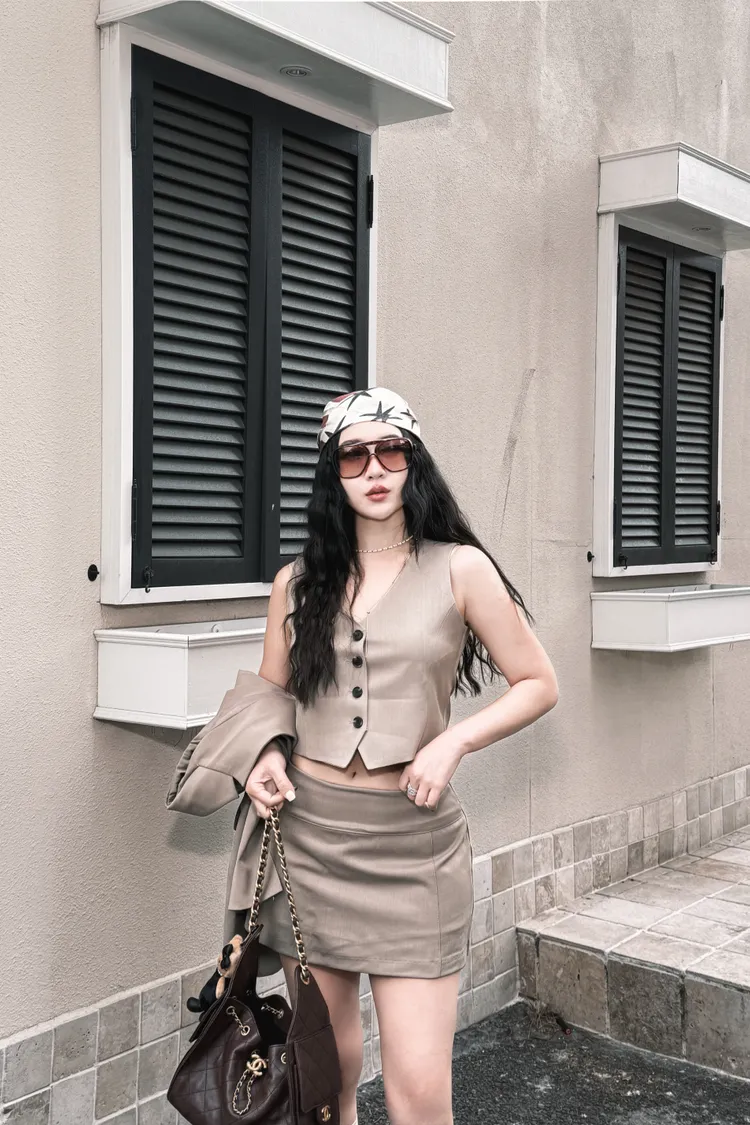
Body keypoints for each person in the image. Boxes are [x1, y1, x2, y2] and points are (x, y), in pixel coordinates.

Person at [244, 387, 558, 1125]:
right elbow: (270, 698)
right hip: (310, 840)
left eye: (391, 450)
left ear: (413, 461)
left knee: (417, 1089)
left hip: (415, 850)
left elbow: (539, 682)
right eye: (354, 455)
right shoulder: (297, 582)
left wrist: (453, 740)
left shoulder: (460, 568)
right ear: (333, 472)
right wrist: (264, 755)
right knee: (327, 1074)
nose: (375, 469)